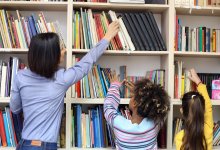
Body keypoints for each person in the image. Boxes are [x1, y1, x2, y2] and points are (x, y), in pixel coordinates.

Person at [10, 21, 120, 150]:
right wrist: (107, 37)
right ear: (52, 56)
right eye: (61, 48)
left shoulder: (20, 77)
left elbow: (15, 108)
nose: (64, 50)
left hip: (25, 144)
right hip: (46, 146)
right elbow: (87, 62)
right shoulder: (61, 78)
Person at [104, 71, 170, 150]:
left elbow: (108, 107)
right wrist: (140, 93)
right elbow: (163, 108)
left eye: (132, 96)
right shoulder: (155, 124)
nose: (131, 97)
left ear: (135, 103)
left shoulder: (120, 126)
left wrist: (114, 86)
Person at [175, 69, 213, 150]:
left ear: (182, 110)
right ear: (202, 110)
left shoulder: (180, 138)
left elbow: (208, 107)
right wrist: (199, 83)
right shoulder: (208, 130)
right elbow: (208, 106)